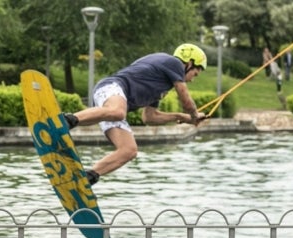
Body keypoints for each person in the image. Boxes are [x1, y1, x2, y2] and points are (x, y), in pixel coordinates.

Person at [64, 43, 208, 185]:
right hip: (111, 87)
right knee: (118, 112)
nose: (192, 79)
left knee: (129, 150)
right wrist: (194, 116)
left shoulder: (160, 85)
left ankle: (88, 177)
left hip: (114, 108)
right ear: (189, 63)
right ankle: (65, 121)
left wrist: (181, 117)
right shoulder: (174, 62)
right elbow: (186, 102)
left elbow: (149, 118)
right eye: (194, 73)